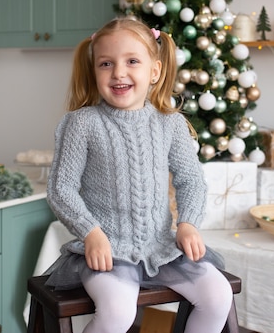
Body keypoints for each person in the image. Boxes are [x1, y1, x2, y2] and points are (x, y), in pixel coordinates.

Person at [45, 17, 233, 333]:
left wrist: (187, 223)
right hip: (107, 252)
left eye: (132, 61)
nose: (119, 72)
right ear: (94, 71)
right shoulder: (83, 124)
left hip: (163, 248)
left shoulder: (169, 124)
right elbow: (61, 188)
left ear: (154, 71)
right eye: (106, 63)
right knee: (119, 314)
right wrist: (91, 232)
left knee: (218, 296)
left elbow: (190, 180)